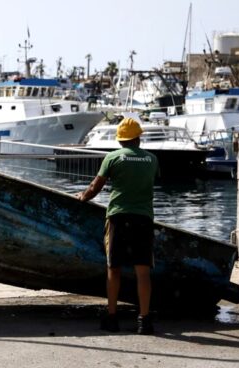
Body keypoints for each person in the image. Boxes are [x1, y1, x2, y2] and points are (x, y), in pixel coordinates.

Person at [77, 117, 159, 334]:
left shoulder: (112, 158)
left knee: (114, 269)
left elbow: (95, 187)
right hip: (143, 218)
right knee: (143, 271)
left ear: (121, 141)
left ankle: (112, 318)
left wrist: (81, 197)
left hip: (118, 217)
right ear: (138, 138)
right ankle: (144, 320)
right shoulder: (152, 160)